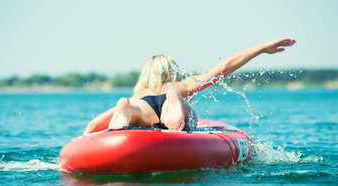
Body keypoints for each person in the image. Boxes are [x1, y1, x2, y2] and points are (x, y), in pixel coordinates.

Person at [83, 38, 296, 135]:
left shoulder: (141, 92)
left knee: (133, 110)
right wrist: (260, 48)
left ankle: (127, 111)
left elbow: (94, 125)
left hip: (143, 106)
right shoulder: (182, 83)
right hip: (171, 98)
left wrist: (84, 142)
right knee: (176, 104)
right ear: (172, 71)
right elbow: (222, 68)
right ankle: (176, 106)